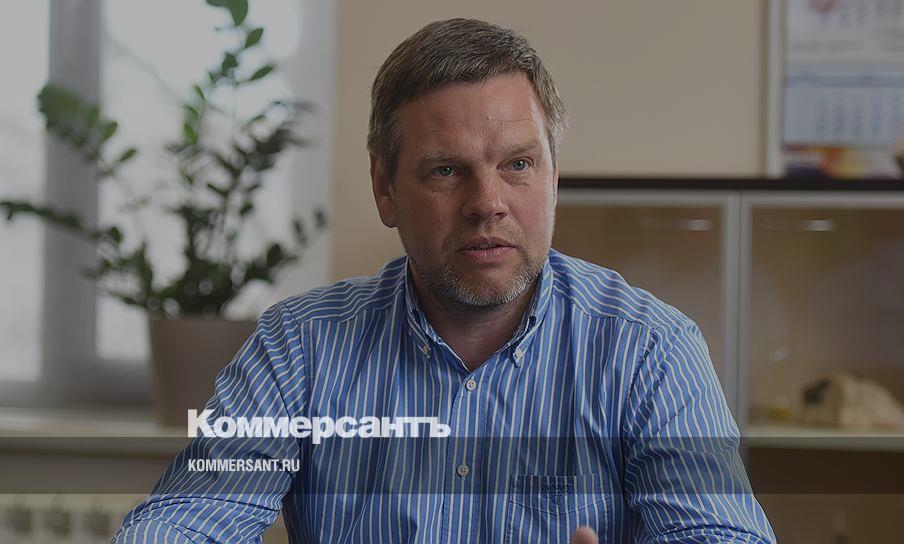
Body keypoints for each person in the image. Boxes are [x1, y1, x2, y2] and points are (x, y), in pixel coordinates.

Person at [114, 18, 776, 544]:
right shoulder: (301, 347)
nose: (487, 203)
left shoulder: (650, 350)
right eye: (446, 171)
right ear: (384, 187)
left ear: (554, 177)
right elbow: (189, 517)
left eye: (518, 165)